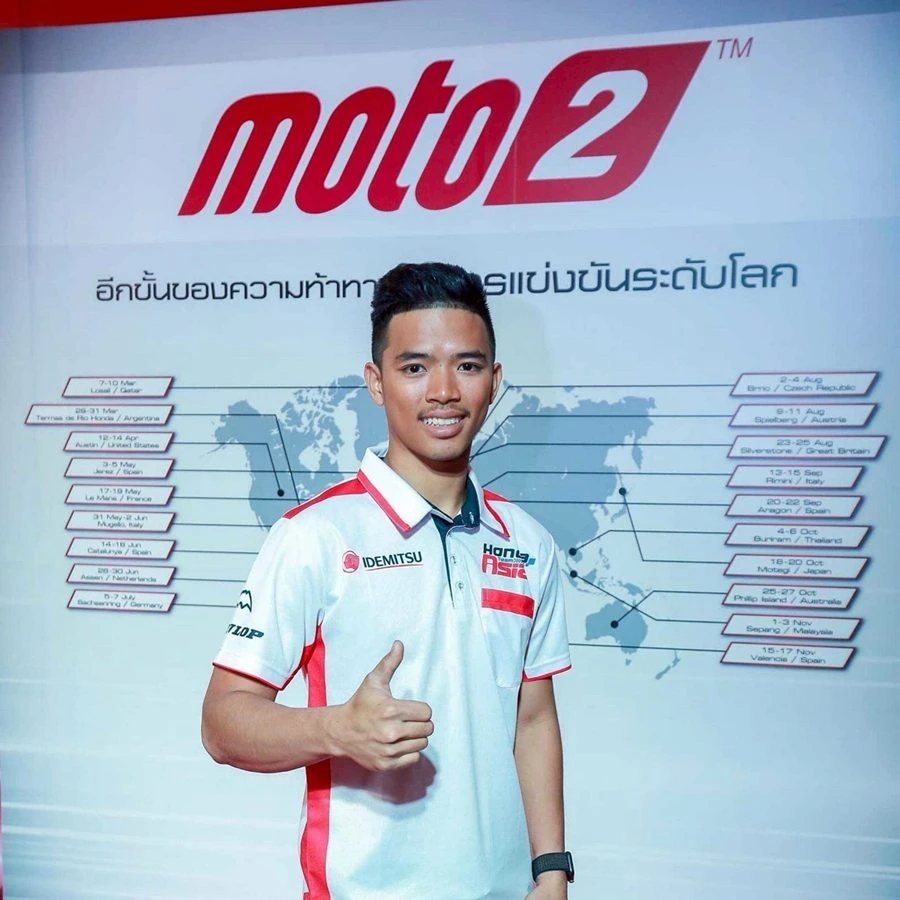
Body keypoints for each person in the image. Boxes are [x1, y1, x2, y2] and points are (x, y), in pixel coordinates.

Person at [201, 262, 574, 899]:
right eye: (415, 367)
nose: (443, 392)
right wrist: (336, 729)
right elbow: (222, 723)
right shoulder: (316, 536)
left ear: (494, 381)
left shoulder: (528, 542)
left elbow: (533, 719)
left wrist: (552, 869)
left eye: (467, 365)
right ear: (376, 382)